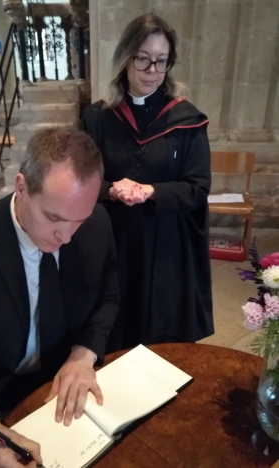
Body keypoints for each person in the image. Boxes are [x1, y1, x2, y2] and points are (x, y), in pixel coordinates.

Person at [0, 128, 119, 468]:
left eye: (79, 220)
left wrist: (84, 352)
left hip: (65, 378)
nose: (66, 236)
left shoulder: (97, 223)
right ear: (21, 187)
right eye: (54, 218)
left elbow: (109, 295)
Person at [82, 13, 213, 352]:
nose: (152, 72)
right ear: (125, 58)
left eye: (161, 61)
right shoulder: (98, 118)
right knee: (114, 326)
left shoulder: (186, 121)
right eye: (143, 59)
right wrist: (111, 188)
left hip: (165, 245)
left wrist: (149, 191)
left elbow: (197, 187)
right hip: (115, 239)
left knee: (161, 335)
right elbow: (81, 180)